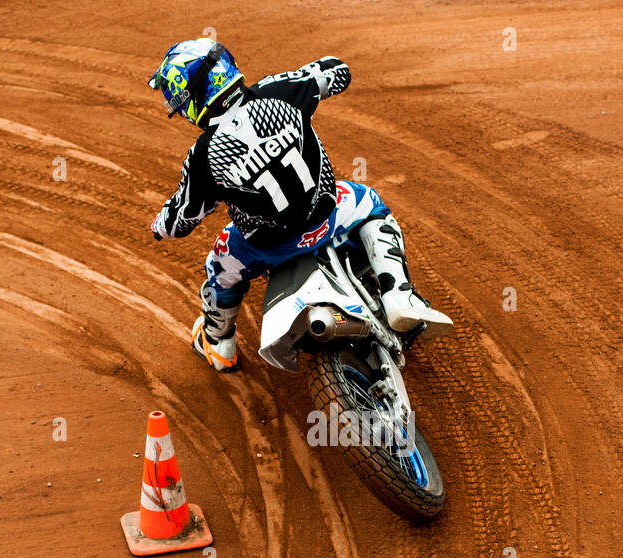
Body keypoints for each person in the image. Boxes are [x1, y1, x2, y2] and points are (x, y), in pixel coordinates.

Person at [148, 38, 452, 373]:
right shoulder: (278, 91)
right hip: (328, 215)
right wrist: (316, 74)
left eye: (179, 96)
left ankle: (218, 343)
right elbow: (338, 72)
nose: (178, 105)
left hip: (268, 247)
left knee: (219, 264)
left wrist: (160, 224)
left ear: (196, 93)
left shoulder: (204, 155)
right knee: (372, 203)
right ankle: (398, 293)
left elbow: (184, 218)